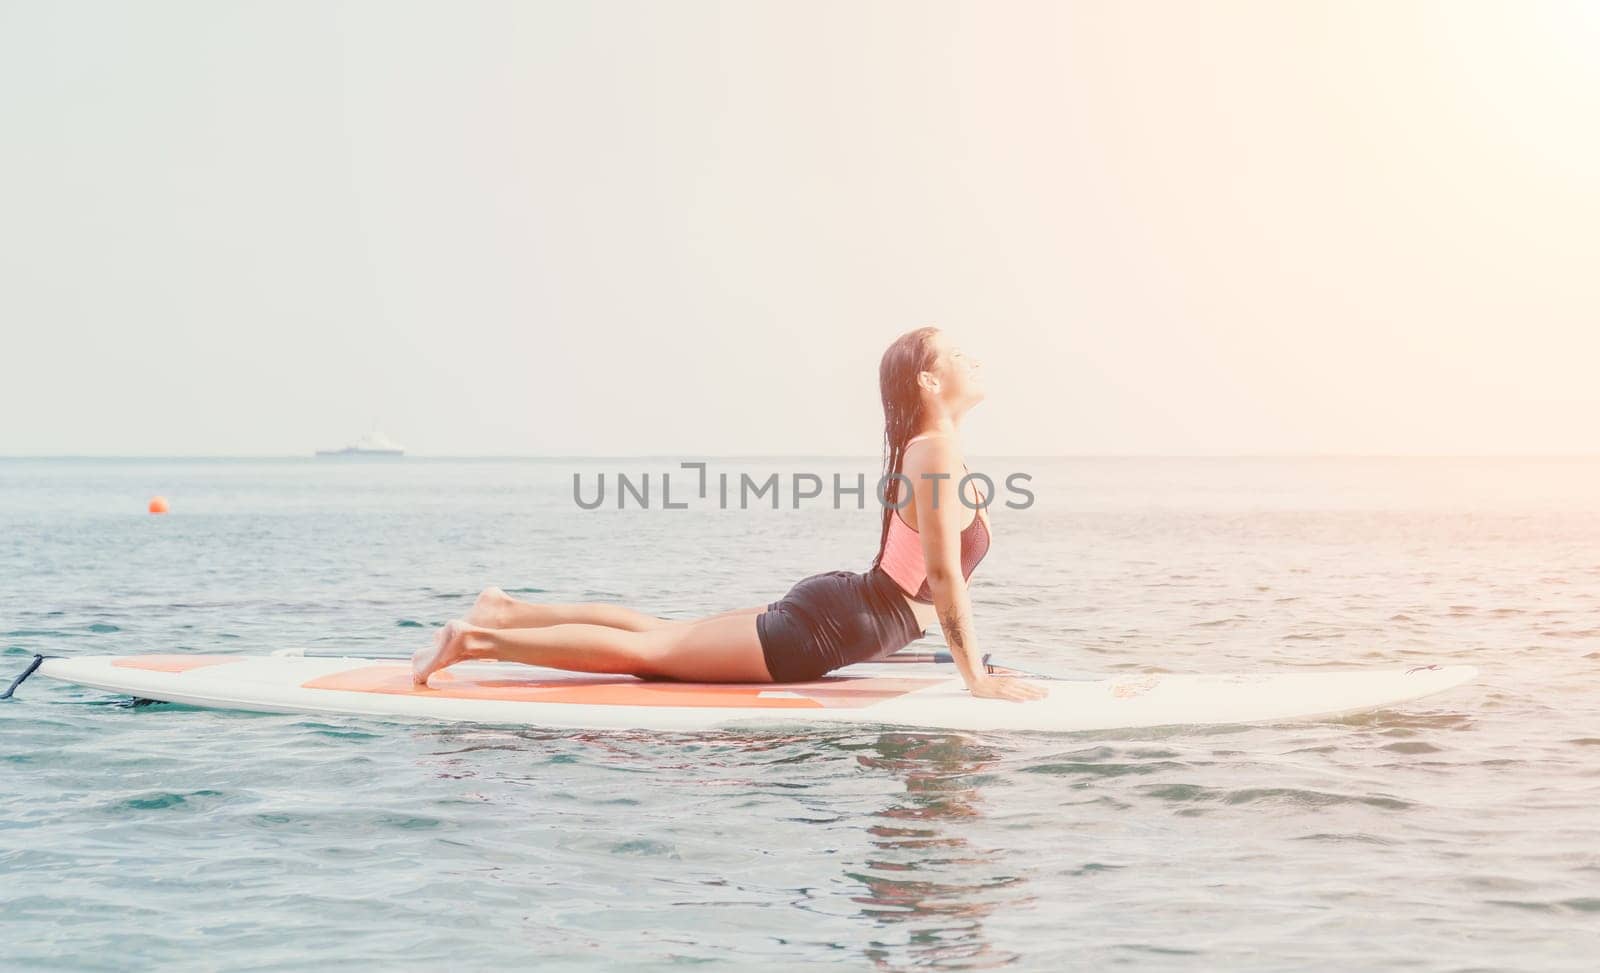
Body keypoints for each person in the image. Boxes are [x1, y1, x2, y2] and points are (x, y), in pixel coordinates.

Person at [411, 326, 1047, 702]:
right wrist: (975, 681)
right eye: (956, 355)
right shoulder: (935, 452)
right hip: (827, 630)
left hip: (846, 612)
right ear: (929, 384)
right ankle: (474, 640)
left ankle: (509, 612)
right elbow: (944, 579)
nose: (973, 360)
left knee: (662, 632)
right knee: (655, 652)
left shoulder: (937, 449)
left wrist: (970, 664)